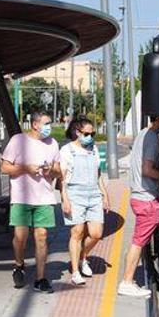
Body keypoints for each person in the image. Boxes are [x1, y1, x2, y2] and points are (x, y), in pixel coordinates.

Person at [0, 111, 61, 294]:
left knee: (41, 237)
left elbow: (59, 171)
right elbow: (5, 167)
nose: (50, 126)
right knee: (21, 237)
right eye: (47, 123)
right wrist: (26, 168)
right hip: (22, 198)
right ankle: (19, 264)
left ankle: (40, 278)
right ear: (35, 124)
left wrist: (51, 170)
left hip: (45, 198)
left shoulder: (52, 144)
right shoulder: (18, 141)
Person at [119, 114, 159, 298]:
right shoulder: (153, 139)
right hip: (146, 199)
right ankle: (127, 281)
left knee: (155, 231)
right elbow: (147, 170)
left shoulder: (143, 133)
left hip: (144, 197)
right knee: (138, 242)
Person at [60, 116, 110, 285]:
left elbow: (98, 175)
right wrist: (65, 200)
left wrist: (105, 195)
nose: (90, 136)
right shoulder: (67, 150)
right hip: (75, 194)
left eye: (92, 133)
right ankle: (75, 271)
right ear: (77, 132)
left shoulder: (94, 149)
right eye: (87, 133)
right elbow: (62, 179)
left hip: (94, 194)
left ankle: (83, 257)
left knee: (96, 233)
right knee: (77, 232)